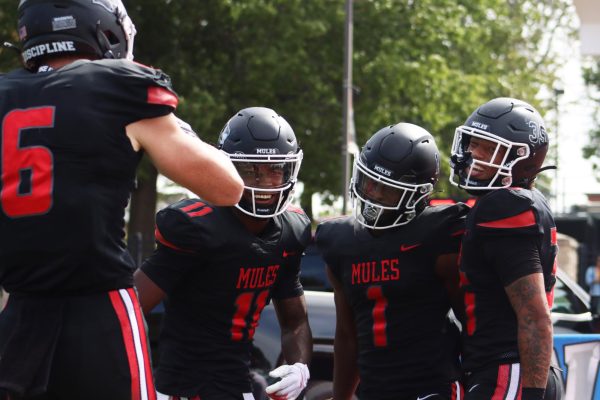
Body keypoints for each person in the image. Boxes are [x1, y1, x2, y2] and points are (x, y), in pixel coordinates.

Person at [0, 1, 244, 399]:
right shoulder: (116, 85)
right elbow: (227, 187)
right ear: (101, 26)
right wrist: (176, 131)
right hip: (100, 313)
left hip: (19, 314)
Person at [134, 107, 312, 400]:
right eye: (251, 170)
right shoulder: (197, 226)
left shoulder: (290, 231)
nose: (266, 183)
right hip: (181, 389)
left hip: (236, 384)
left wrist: (299, 367)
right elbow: (128, 309)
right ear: (226, 167)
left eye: (275, 170)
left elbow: (295, 322)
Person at [315, 123, 468, 400]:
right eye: (368, 180)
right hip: (375, 390)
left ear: (417, 194)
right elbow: (348, 335)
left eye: (386, 188)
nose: (372, 193)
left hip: (432, 389)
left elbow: (472, 321)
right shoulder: (341, 241)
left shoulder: (437, 236)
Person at [449, 97, 558, 400]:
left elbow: (534, 316)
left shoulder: (503, 206)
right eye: (472, 143)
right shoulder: (520, 202)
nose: (472, 154)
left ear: (522, 157)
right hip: (516, 369)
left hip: (510, 372)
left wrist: (531, 394)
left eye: (486, 147)